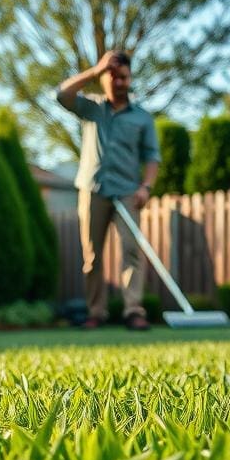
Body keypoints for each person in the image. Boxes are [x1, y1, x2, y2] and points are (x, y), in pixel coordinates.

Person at [56, 50, 161, 330]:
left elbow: (152, 157)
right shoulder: (92, 108)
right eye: (112, 76)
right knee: (92, 256)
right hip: (93, 189)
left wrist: (146, 187)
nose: (118, 82)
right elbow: (61, 94)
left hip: (128, 191)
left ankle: (133, 311)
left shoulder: (142, 118)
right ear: (104, 78)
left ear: (130, 78)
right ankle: (96, 312)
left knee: (131, 251)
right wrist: (94, 70)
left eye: (123, 77)